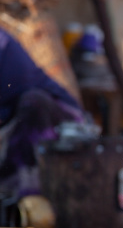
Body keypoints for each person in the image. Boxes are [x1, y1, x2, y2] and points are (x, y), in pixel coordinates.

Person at [0, 28, 85, 202]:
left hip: (61, 128)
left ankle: (31, 194)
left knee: (34, 102)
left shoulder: (3, 44)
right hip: (14, 127)